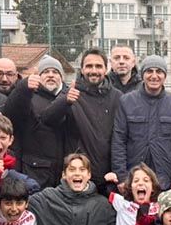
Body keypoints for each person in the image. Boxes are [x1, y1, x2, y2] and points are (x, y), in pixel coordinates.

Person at [111, 55, 171, 191]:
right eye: (149, 71)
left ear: (165, 76)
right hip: (134, 175)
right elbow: (119, 141)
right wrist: (121, 176)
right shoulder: (126, 102)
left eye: (159, 71)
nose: (154, 76)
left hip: (165, 176)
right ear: (143, 75)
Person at [48, 49, 120, 193]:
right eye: (89, 66)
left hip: (107, 178)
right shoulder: (71, 93)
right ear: (81, 69)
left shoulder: (117, 97)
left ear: (106, 69)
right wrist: (65, 101)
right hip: (78, 175)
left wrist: (118, 170)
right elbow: (48, 119)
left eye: (98, 66)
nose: (94, 70)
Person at [3, 56, 69, 189]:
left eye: (55, 72)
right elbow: (11, 114)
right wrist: (23, 88)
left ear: (61, 77)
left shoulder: (70, 97)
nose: (51, 75)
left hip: (63, 172)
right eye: (46, 72)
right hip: (35, 171)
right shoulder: (29, 96)